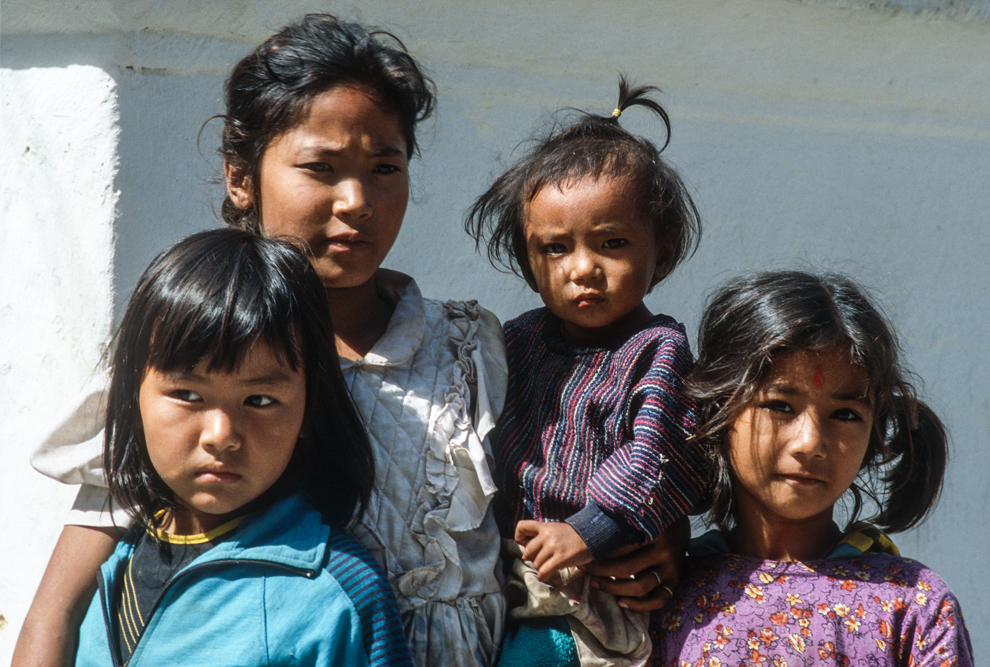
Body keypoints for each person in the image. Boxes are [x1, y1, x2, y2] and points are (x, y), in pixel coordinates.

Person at [14, 16, 680, 667]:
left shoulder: (467, 349)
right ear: (241, 176)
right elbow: (58, 609)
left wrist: (646, 543)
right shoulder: (193, 353)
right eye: (321, 167)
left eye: (385, 167)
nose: (357, 199)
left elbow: (553, 486)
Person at [73, 228, 410, 666]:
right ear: (132, 396)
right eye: (187, 395)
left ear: (309, 411)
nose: (220, 435)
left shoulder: (333, 595)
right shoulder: (119, 558)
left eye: (260, 400)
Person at [466, 79, 708, 666]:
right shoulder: (515, 341)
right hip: (508, 573)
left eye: (612, 243)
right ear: (528, 262)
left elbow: (659, 456)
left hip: (600, 587)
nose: (582, 269)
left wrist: (589, 531)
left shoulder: (657, 352)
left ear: (662, 251)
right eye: (556, 248)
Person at [656, 270, 974, 665]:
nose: (810, 443)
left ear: (874, 432)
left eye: (845, 414)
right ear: (719, 411)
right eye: (779, 406)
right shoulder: (660, 594)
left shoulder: (913, 605)